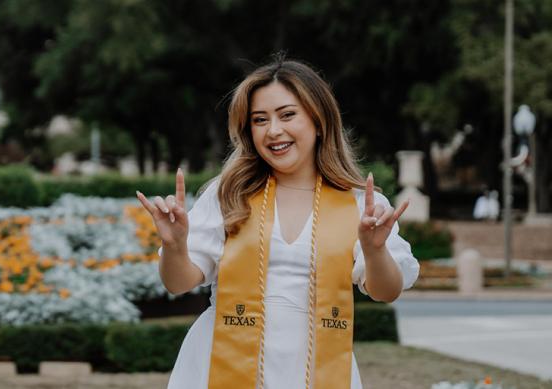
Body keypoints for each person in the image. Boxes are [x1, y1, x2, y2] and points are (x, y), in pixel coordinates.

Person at [136, 58, 419, 389]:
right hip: (220, 360)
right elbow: (178, 282)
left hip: (315, 367)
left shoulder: (359, 204)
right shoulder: (229, 193)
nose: (273, 131)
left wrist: (374, 250)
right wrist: (174, 245)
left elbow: (387, 291)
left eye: (287, 115)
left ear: (318, 120)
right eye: (259, 120)